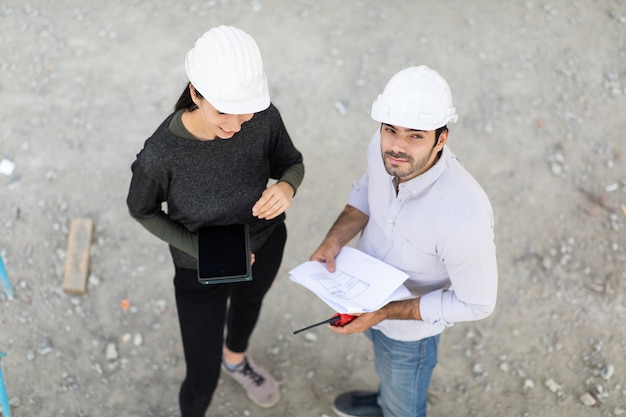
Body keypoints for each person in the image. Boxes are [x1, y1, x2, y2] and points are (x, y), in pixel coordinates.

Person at [126, 26, 304, 416]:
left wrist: (288, 187)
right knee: (200, 378)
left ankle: (236, 360)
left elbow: (291, 162)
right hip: (199, 269)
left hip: (266, 240)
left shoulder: (262, 116)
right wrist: (203, 251)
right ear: (195, 92)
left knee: (249, 302)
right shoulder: (160, 155)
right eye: (223, 110)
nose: (236, 124)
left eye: (244, 111)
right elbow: (141, 209)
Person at [310, 65, 498, 417]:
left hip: (408, 333)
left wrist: (384, 313)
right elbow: (367, 190)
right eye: (390, 130)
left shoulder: (463, 219)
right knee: (387, 372)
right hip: (362, 298)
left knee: (404, 404)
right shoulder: (385, 149)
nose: (397, 146)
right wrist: (335, 239)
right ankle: (387, 397)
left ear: (441, 139)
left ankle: (395, 405)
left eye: (416, 135)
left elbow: (478, 304)